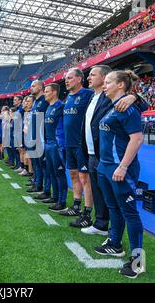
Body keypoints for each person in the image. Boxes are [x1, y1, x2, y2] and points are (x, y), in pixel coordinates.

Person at [82, 65, 149, 236]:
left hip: (111, 158)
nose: (88, 77)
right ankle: (104, 228)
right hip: (95, 154)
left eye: (92, 75)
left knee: (124, 207)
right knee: (103, 196)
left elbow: (137, 134)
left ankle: (131, 253)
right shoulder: (91, 97)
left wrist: (133, 96)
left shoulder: (117, 99)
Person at [94, 70, 145, 279]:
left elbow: (137, 139)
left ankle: (138, 261)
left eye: (108, 82)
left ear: (121, 85)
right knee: (113, 207)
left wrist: (123, 167)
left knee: (130, 213)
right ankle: (115, 243)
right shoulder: (112, 106)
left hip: (120, 168)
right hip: (105, 167)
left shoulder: (127, 107)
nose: (104, 86)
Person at [59, 68, 94, 229]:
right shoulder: (68, 98)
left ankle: (87, 213)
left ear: (80, 79)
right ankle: (76, 206)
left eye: (70, 78)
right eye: (66, 78)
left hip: (82, 145)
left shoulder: (88, 94)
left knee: (85, 178)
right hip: (69, 144)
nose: (67, 81)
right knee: (73, 175)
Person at [42, 83, 68, 211]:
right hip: (48, 144)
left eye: (47, 91)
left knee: (59, 173)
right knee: (51, 172)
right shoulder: (48, 107)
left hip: (57, 146)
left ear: (54, 92)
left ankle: (62, 201)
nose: (44, 94)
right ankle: (55, 196)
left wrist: (60, 146)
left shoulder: (61, 107)